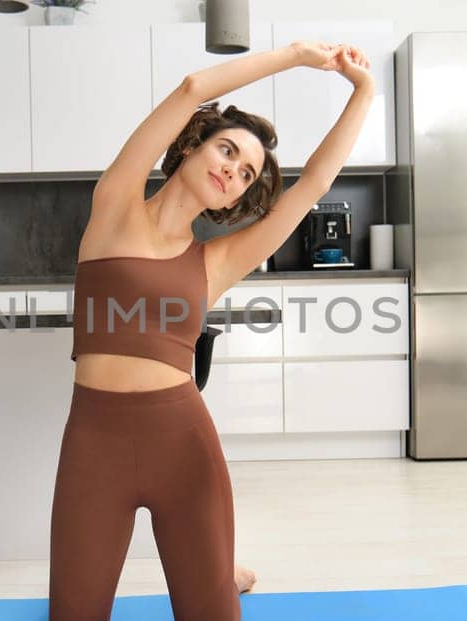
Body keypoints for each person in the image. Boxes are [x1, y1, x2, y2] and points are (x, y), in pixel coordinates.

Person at [52, 40, 375, 621]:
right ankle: (225, 570)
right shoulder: (114, 205)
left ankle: (223, 574)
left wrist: (364, 89)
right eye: (227, 150)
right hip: (93, 446)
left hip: (183, 447)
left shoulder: (216, 262)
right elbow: (192, 90)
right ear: (192, 145)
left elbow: (315, 186)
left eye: (247, 172)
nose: (233, 169)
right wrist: (298, 56)